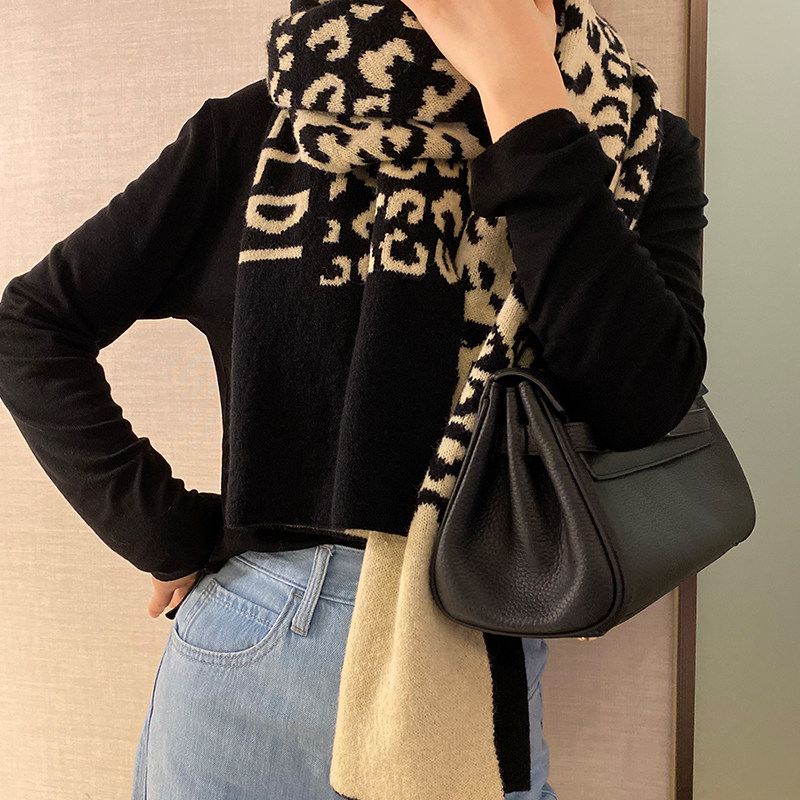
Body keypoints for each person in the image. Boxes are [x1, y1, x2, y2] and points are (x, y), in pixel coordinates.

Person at [0, 1, 707, 798]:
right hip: (257, 657)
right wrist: (171, 532)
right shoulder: (265, 127)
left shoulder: (635, 144)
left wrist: (527, 105)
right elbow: (32, 327)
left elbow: (641, 405)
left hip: (476, 654)